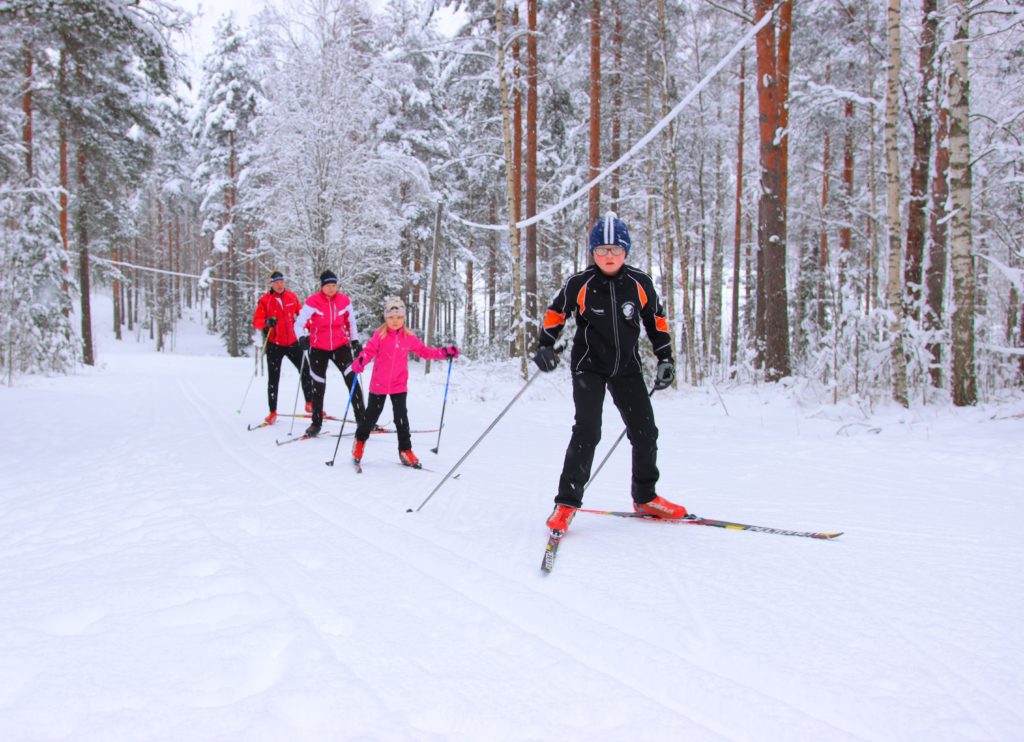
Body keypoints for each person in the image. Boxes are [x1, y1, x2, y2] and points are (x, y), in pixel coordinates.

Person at [533, 212, 687, 533]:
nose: (608, 256)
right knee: (588, 430)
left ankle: (645, 496)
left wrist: (665, 358)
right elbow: (556, 311)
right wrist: (546, 345)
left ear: (626, 252)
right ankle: (566, 504)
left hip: (626, 367)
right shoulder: (580, 283)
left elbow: (656, 322)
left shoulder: (640, 283)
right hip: (588, 366)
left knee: (645, 431)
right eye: (601, 250)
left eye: (615, 250)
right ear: (592, 252)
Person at [350, 297, 458, 467]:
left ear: (404, 319)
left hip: (398, 384)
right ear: (386, 318)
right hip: (379, 384)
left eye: (399, 317)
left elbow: (424, 352)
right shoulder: (380, 335)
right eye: (392, 317)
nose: (395, 321)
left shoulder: (408, 337)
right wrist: (360, 362)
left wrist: (444, 352)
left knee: (401, 418)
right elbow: (368, 351)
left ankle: (405, 450)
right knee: (371, 417)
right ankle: (360, 441)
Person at [292, 270, 366, 437]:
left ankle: (362, 419)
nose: (332, 289)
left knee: (352, 380)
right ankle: (316, 423)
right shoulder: (313, 301)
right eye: (328, 286)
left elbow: (351, 322)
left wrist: (354, 341)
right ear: (322, 286)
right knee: (318, 386)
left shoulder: (344, 300)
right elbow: (299, 324)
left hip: (341, 346)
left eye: (334, 285)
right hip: (318, 348)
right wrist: (301, 338)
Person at [252, 270, 313, 424]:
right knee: (274, 379)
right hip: (275, 344)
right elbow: (257, 322)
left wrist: (311, 328)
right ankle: (272, 412)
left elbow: (302, 315)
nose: (280, 285)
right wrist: (266, 322)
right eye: (276, 282)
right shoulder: (265, 300)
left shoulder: (291, 296)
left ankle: (310, 404)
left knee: (305, 371)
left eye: (282, 281)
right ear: (271, 283)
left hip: (292, 342)